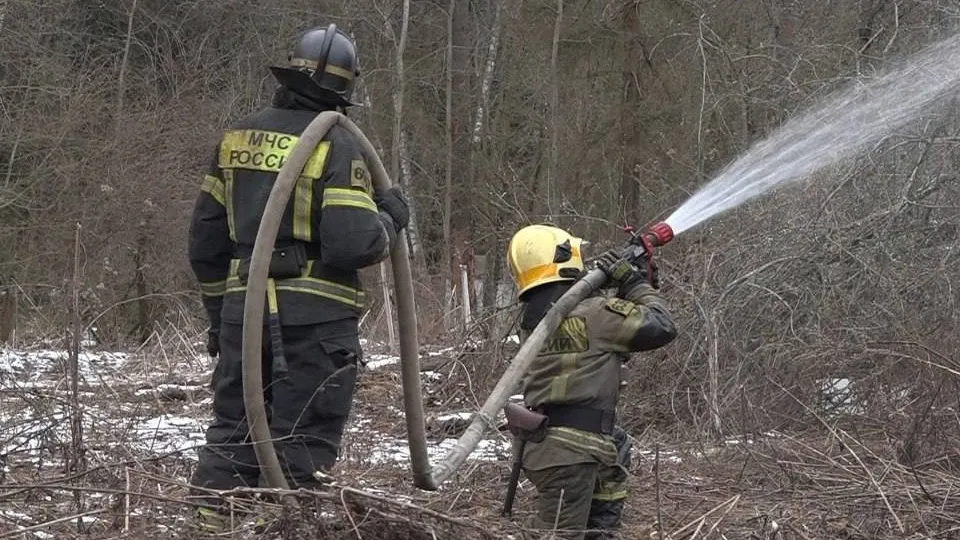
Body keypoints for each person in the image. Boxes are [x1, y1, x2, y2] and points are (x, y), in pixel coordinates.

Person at [185, 24, 409, 531]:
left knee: (232, 430)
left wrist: (221, 316)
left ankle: (206, 525)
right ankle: (285, 525)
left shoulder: (236, 139)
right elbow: (353, 244)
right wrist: (391, 217)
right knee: (303, 435)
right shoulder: (337, 144)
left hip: (244, 315)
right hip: (316, 323)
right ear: (346, 90)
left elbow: (204, 243)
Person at [504, 224, 677, 540]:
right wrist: (633, 282)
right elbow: (661, 326)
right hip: (573, 453)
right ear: (562, 260)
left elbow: (600, 343)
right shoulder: (596, 314)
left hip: (564, 450)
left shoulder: (538, 320)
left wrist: (621, 284)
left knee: (598, 532)